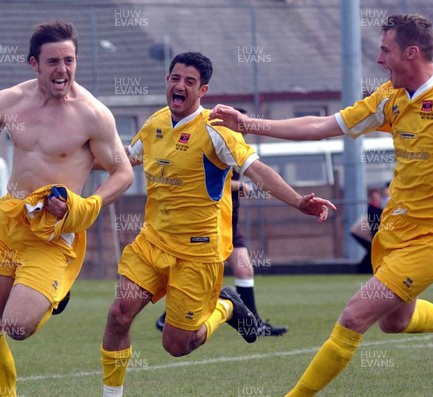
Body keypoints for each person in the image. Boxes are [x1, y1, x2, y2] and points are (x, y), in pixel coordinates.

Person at [210, 13, 433, 396]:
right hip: (396, 232)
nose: (379, 60)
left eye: (386, 51)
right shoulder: (391, 98)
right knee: (395, 322)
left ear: (411, 53)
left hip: (430, 240)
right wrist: (248, 124)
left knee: (353, 318)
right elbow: (321, 125)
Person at [100, 52, 334, 397]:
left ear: (203, 90)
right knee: (119, 315)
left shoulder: (216, 130)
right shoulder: (155, 124)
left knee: (176, 345)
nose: (180, 85)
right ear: (167, 81)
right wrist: (66, 156)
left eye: (189, 82)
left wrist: (298, 201)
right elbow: (122, 158)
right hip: (151, 244)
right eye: (175, 78)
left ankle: (226, 306)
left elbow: (257, 170)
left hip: (197, 253)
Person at [0, 21, 133, 397]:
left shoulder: (93, 115)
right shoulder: (9, 101)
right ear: (34, 63)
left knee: (16, 327)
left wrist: (86, 205)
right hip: (8, 220)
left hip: (53, 231)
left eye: (69, 60)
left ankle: (55, 293)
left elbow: (123, 171)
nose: (62, 70)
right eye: (53, 61)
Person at [155, 170, 288, 336]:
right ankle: (168, 317)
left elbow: (255, 170)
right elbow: (201, 179)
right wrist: (238, 186)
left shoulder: (237, 149)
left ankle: (254, 324)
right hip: (210, 225)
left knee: (244, 270)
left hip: (230, 223)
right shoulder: (214, 147)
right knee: (202, 280)